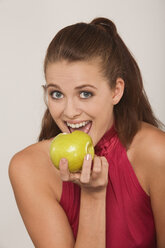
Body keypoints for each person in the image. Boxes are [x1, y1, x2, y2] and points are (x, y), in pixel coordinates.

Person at [9, 17, 165, 248]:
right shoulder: (28, 167)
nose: (69, 112)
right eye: (57, 94)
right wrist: (93, 196)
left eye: (85, 94)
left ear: (116, 91)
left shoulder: (156, 153)